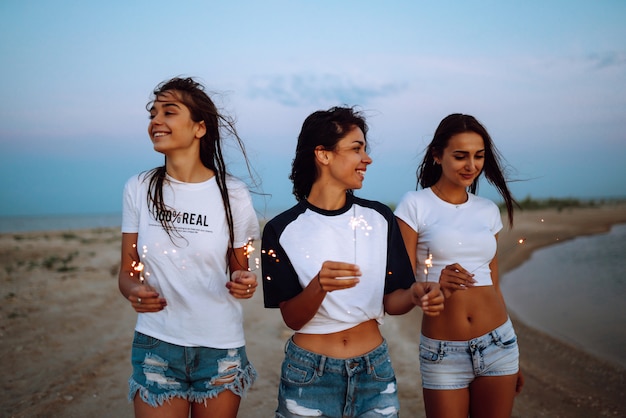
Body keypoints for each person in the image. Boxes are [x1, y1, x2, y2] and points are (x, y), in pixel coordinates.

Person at [261, 106, 444, 418]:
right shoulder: (281, 230)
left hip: (374, 373)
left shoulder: (381, 218)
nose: (367, 159)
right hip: (308, 374)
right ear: (323, 155)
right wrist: (318, 286)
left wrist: (414, 295)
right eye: (356, 149)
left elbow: (392, 300)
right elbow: (292, 318)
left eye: (365, 150)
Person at [118, 77, 260, 418]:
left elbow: (242, 267)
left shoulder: (233, 193)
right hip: (157, 344)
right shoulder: (139, 188)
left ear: (199, 128)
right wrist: (134, 290)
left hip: (220, 346)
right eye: (153, 113)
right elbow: (126, 270)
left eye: (169, 112)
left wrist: (245, 279)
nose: (156, 121)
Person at [394, 113, 524, 418]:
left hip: (499, 342)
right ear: (437, 156)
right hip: (443, 351)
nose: (471, 165)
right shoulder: (415, 206)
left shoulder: (487, 210)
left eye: (478, 156)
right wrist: (435, 285)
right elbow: (401, 290)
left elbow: (494, 282)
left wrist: (515, 354)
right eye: (460, 156)